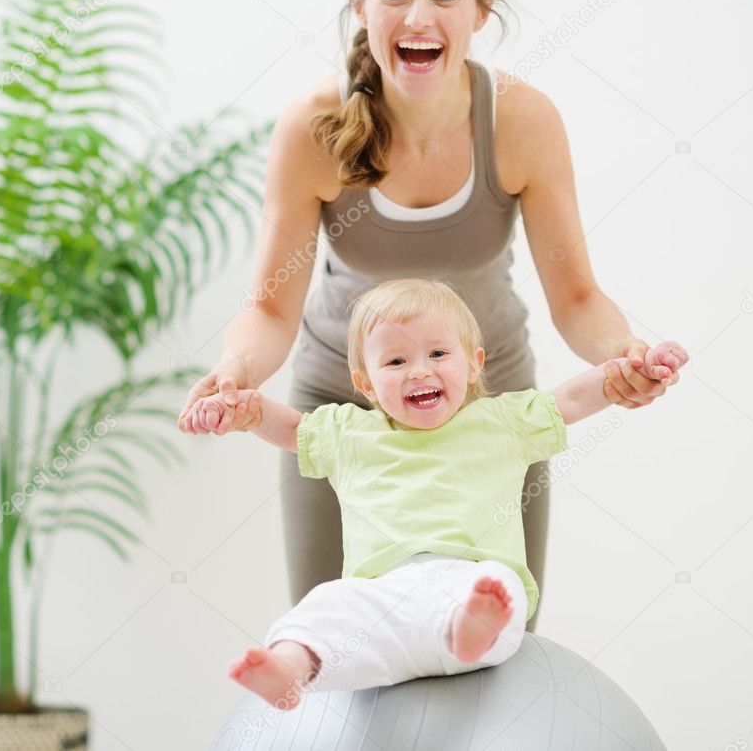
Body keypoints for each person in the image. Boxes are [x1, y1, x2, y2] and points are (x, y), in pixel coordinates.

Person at [177, 0, 681, 633]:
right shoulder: (312, 129)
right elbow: (272, 306)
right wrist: (234, 372)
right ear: (361, 7)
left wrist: (626, 355)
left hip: (489, 411)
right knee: (336, 644)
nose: (418, 17)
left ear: (480, 11)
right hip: (342, 410)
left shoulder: (521, 121)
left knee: (491, 645)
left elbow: (576, 297)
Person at [182, 279, 688, 708]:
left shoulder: (502, 421)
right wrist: (242, 410)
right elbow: (287, 427)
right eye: (396, 360)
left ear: (474, 364)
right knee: (328, 605)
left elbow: (575, 397)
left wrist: (631, 368)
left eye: (438, 354)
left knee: (501, 588)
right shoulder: (348, 432)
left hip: (471, 579)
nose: (420, 370)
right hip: (380, 597)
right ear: (365, 382)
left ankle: (471, 630)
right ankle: (290, 668)